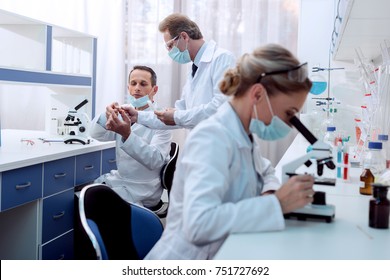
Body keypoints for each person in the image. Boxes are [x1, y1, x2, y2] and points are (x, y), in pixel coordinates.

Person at [145, 44, 315, 259]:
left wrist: (271, 192)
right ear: (258, 94)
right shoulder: (212, 137)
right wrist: (276, 204)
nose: (289, 122)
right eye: (289, 112)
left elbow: (264, 170)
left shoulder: (243, 132)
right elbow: (199, 225)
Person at [124, 13, 236, 130]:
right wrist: (137, 116)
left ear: (184, 37)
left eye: (170, 45)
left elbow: (221, 107)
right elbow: (179, 114)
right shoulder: (194, 68)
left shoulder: (222, 58)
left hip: (221, 142)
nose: (169, 52)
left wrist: (176, 116)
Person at [90, 65, 172, 215]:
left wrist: (127, 134)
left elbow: (155, 160)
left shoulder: (162, 119)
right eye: (133, 83)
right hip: (121, 181)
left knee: (92, 203)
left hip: (143, 189)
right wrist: (106, 115)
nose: (137, 88)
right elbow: (96, 135)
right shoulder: (123, 113)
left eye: (143, 84)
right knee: (79, 196)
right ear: (128, 88)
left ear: (155, 89)